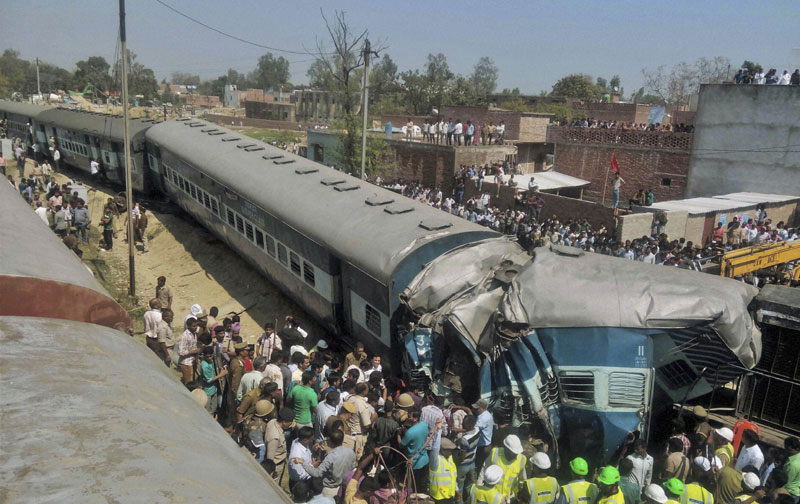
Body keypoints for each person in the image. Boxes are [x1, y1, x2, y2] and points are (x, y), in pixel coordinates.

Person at [301, 429, 357, 498]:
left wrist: (303, 463)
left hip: (329, 490)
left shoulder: (330, 456)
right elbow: (353, 467)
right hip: (343, 488)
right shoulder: (351, 452)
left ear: (331, 442)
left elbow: (317, 473)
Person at [480, 434, 526, 500]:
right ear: (506, 449)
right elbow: (485, 468)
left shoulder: (522, 459)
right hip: (494, 497)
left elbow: (523, 479)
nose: (516, 455)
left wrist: (520, 494)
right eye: (513, 453)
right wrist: (480, 485)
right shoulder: (495, 453)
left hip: (510, 498)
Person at [401, 409, 431, 493]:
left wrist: (398, 435)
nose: (407, 417)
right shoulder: (424, 425)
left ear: (415, 418)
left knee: (414, 486)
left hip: (414, 464)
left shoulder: (410, 432)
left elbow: (402, 445)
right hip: (425, 460)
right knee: (422, 485)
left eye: (409, 416)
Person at [430, 435, 460, 504]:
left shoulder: (450, 458)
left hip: (450, 496)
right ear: (442, 450)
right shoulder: (435, 461)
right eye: (449, 450)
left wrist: (457, 489)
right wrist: (439, 430)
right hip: (439, 498)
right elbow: (435, 449)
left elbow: (453, 477)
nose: (451, 452)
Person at [200, 346, 228, 416]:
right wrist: (221, 375)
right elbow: (208, 380)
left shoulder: (212, 360)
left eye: (210, 356)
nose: (209, 358)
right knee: (207, 410)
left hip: (214, 388)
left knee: (213, 408)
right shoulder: (205, 365)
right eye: (207, 357)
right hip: (207, 390)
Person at [177, 317, 200, 384]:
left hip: (192, 361)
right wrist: (194, 351)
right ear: (188, 326)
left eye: (196, 326)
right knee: (188, 383)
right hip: (186, 363)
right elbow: (181, 352)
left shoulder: (194, 334)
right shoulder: (184, 336)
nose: (195, 328)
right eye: (193, 326)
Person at [473, 399, 494, 469]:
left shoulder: (483, 418)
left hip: (483, 446)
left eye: (477, 408)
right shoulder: (487, 414)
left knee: (478, 465)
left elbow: (474, 430)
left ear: (482, 408)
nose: (475, 410)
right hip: (487, 444)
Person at [784, 436, 800, 502]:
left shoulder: (791, 464)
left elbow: (785, 481)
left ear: (789, 447)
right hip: (796, 492)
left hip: (788, 493)